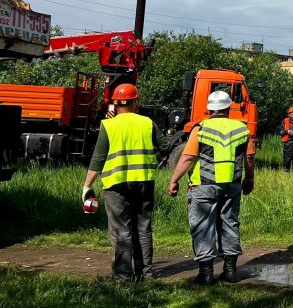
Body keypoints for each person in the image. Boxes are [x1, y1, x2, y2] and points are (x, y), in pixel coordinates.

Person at [81, 83, 170, 283]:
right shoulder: (147, 123)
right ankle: (145, 274)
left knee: (121, 229)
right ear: (135, 102)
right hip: (144, 182)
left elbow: (98, 159)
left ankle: (123, 277)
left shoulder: (108, 125)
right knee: (143, 228)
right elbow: (165, 146)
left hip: (116, 183)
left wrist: (87, 185)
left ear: (114, 103)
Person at [167, 91, 256, 285]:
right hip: (232, 185)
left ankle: (206, 274)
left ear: (209, 108)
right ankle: (230, 271)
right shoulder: (242, 129)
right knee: (229, 224)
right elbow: (249, 158)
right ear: (228, 107)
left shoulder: (201, 128)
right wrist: (249, 180)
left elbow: (188, 157)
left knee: (202, 226)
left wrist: (174, 180)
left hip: (204, 185)